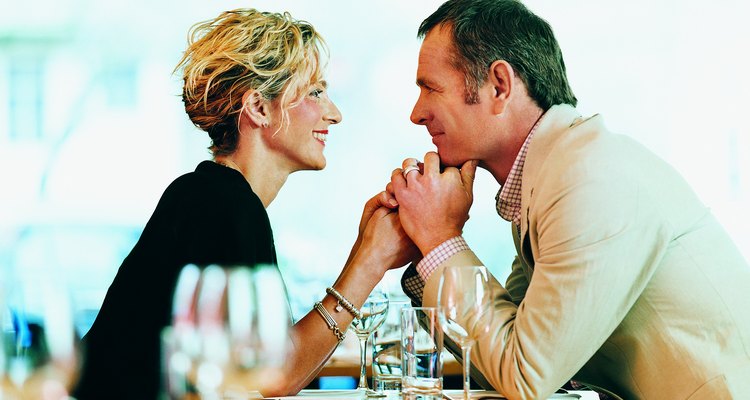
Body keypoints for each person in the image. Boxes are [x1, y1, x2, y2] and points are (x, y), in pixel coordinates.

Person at [383, 0, 750, 398]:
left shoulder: (588, 178)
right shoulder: (552, 175)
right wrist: (427, 241)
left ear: (499, 86)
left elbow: (524, 376)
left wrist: (440, 237)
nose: (416, 113)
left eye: (430, 88)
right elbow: (497, 360)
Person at [73, 8, 416, 399]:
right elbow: (275, 375)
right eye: (315, 92)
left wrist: (364, 249)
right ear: (258, 108)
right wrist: (370, 262)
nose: (334, 113)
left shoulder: (212, 195)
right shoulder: (221, 204)